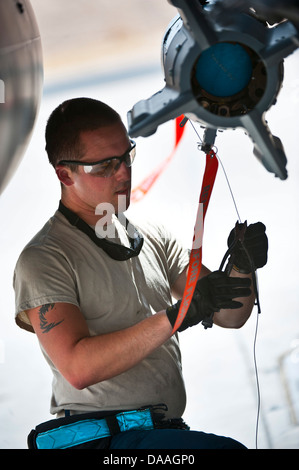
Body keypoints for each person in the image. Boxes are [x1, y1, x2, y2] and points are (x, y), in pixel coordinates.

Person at [13, 97, 268, 450]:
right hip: (98, 440)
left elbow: (230, 314)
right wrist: (178, 315)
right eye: (104, 166)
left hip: (161, 432)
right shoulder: (45, 258)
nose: (123, 174)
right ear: (64, 173)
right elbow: (77, 367)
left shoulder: (153, 235)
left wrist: (242, 266)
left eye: (125, 157)